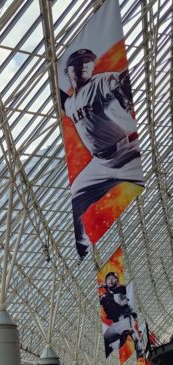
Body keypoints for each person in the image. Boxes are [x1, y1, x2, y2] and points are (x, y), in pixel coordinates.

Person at [61, 48, 144, 260]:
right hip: (100, 163)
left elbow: (120, 81)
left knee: (150, 182)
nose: (84, 65)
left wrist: (124, 87)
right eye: (78, 62)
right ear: (68, 70)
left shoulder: (102, 81)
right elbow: (62, 100)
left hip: (126, 152)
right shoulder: (70, 104)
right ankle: (83, 249)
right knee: (77, 196)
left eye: (88, 61)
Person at [99, 273, 139, 357]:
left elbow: (117, 295)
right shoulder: (110, 293)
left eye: (113, 278)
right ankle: (123, 338)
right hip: (122, 323)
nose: (111, 280)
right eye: (109, 278)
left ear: (117, 280)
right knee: (107, 340)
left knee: (107, 339)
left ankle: (121, 339)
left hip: (123, 322)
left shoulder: (120, 290)